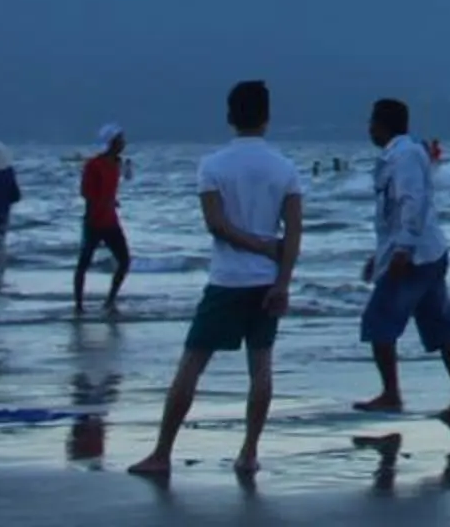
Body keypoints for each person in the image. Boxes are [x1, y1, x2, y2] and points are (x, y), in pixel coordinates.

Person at [126, 80, 304, 481]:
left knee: (192, 363)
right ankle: (249, 452)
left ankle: (161, 453)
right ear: (267, 118)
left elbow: (217, 226)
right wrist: (282, 279)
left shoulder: (213, 165)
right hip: (265, 280)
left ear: (230, 117)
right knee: (261, 366)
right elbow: (292, 233)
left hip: (227, 280)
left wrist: (258, 249)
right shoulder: (284, 168)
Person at [355, 96, 450, 420]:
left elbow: (411, 202)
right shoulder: (405, 153)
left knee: (378, 322)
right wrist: (379, 255)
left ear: (382, 124)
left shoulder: (403, 156)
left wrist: (402, 249)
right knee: (440, 325)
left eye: (371, 123)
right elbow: (395, 215)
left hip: (415, 258)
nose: (369, 130)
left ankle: (391, 394)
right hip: (428, 253)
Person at [75, 123, 131, 314]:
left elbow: (119, 182)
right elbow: (86, 192)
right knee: (84, 263)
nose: (124, 143)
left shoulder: (116, 163)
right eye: (120, 139)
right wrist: (101, 204)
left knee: (124, 260)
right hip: (94, 220)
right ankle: (79, 305)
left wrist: (111, 202)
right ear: (112, 142)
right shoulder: (94, 165)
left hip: (111, 220)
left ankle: (110, 301)